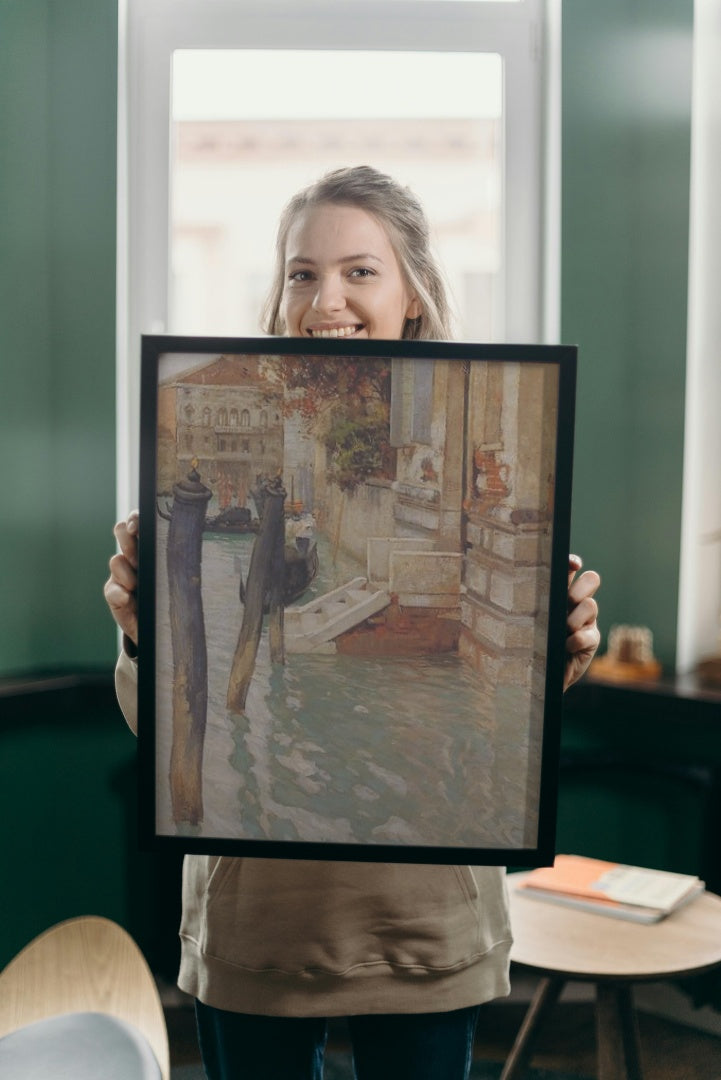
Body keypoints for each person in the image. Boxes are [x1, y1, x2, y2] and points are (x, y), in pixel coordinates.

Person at [105, 166, 601, 1080]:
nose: (324, 298)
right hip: (256, 925)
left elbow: (508, 733)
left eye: (358, 271)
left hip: (426, 923)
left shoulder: (501, 430)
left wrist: (559, 650)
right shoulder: (225, 417)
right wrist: (143, 636)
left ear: (412, 293)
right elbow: (171, 730)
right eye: (301, 272)